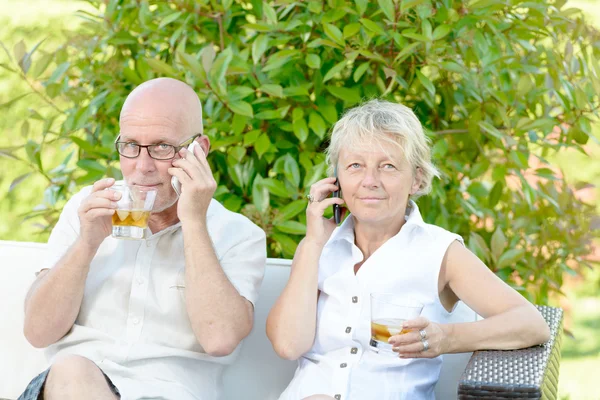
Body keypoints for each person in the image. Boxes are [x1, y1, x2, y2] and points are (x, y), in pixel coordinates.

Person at [266, 99, 551, 400]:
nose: (369, 181)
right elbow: (288, 345)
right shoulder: (318, 247)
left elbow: (530, 324)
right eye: (355, 166)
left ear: (416, 178)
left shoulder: (440, 251)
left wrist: (444, 338)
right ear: (336, 180)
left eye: (387, 166)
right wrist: (312, 243)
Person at [20, 78, 267, 400]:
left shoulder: (238, 234)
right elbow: (38, 332)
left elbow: (220, 338)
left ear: (199, 150)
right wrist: (86, 244)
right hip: (71, 387)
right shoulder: (89, 209)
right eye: (131, 146)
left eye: (162, 147)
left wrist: (193, 221)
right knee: (73, 369)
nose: (142, 166)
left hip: (170, 393)